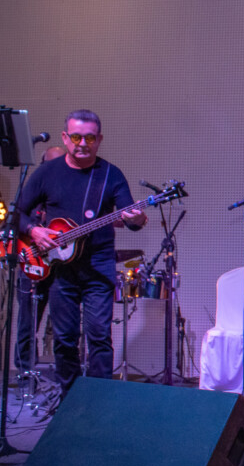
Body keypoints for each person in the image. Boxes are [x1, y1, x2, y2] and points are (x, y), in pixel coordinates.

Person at [17, 110, 147, 395]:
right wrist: (35, 231)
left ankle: (98, 402)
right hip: (60, 269)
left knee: (99, 336)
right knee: (65, 338)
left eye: (90, 138)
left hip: (98, 266)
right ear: (65, 138)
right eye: (76, 137)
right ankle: (69, 399)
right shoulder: (47, 173)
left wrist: (136, 218)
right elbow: (15, 213)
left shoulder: (111, 175)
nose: (83, 144)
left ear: (99, 139)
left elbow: (130, 218)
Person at [14, 145, 66, 374]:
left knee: (65, 324)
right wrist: (32, 230)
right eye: (49, 164)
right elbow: (13, 217)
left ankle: (66, 376)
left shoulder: (68, 194)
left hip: (60, 267)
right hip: (32, 266)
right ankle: (25, 374)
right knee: (28, 323)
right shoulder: (34, 191)